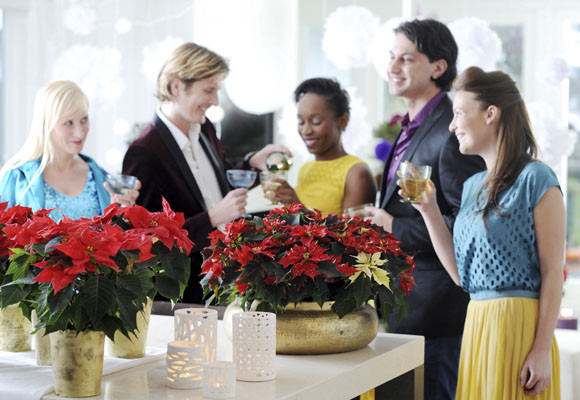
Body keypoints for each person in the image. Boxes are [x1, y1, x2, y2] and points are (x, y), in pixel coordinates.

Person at [407, 66, 563, 399]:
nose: (451, 126)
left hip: (520, 328)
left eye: (459, 113)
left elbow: (553, 273)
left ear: (490, 114)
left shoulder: (537, 178)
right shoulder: (472, 186)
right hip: (477, 324)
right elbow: (462, 277)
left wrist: (540, 349)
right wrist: (428, 209)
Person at [364, 19, 485, 400]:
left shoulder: (452, 131)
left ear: (438, 67)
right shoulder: (410, 126)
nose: (393, 67)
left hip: (438, 311)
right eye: (391, 57)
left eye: (406, 58)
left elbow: (467, 228)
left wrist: (391, 227)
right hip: (405, 306)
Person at [122, 43, 290, 304]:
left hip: (223, 283)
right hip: (181, 297)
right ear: (177, 87)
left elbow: (219, 182)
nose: (215, 101)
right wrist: (212, 218)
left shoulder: (205, 128)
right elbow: (148, 240)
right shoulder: (144, 152)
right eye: (208, 91)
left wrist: (254, 163)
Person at [0, 80, 139, 221]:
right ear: (45, 124)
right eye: (68, 123)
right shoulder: (16, 178)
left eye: (84, 120)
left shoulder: (100, 178)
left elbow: (115, 237)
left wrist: (124, 213)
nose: (79, 133)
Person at [265, 78, 376, 215]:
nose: (306, 131)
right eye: (301, 121)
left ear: (342, 121)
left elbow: (353, 236)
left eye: (316, 121)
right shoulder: (306, 168)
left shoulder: (357, 174)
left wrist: (298, 207)